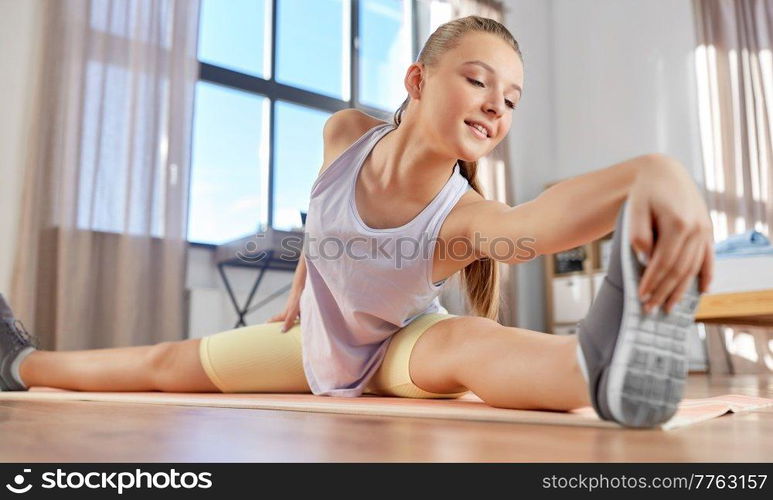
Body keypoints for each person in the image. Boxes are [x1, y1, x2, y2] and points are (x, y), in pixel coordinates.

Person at [0, 16, 712, 428]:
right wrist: (308, 277)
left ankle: (593, 365)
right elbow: (322, 215)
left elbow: (531, 228)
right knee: (164, 365)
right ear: (417, 80)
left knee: (465, 342)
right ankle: (22, 363)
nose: (498, 106)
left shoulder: (461, 218)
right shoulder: (344, 134)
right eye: (477, 80)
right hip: (314, 339)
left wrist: (654, 172)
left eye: (513, 100)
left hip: (400, 344)